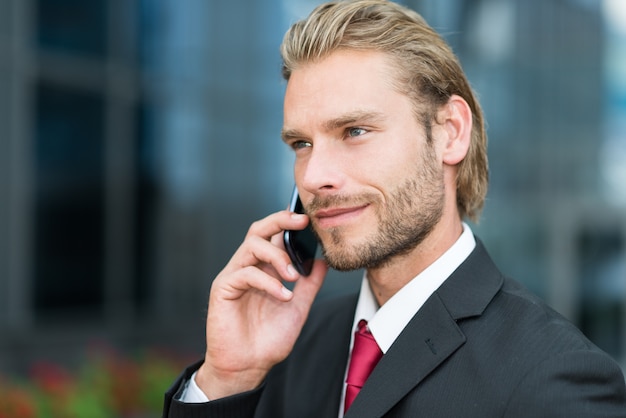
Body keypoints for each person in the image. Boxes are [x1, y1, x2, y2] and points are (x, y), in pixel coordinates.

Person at [162, 1, 626, 417]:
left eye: (355, 131)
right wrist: (226, 379)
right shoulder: (287, 344)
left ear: (450, 131)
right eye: (301, 143)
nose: (314, 175)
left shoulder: (555, 378)